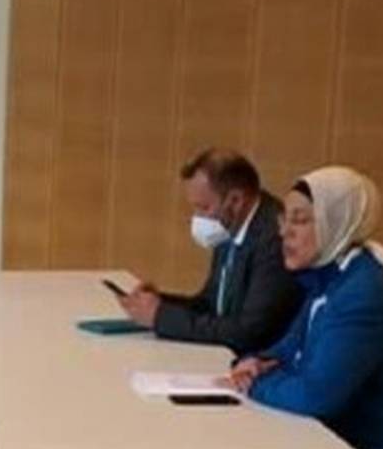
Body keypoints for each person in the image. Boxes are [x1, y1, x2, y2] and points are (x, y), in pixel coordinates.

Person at [229, 166, 383, 449]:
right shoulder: (329, 278)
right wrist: (256, 361)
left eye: (300, 220)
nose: (285, 233)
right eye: (284, 219)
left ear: (335, 223)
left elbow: (315, 395)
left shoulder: (361, 293)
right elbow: (289, 348)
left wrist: (254, 384)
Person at [117, 148, 301, 354]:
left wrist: (161, 317)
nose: (198, 218)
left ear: (236, 201)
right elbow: (210, 306)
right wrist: (158, 304)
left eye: (204, 208)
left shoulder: (275, 238)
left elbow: (248, 333)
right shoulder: (230, 224)